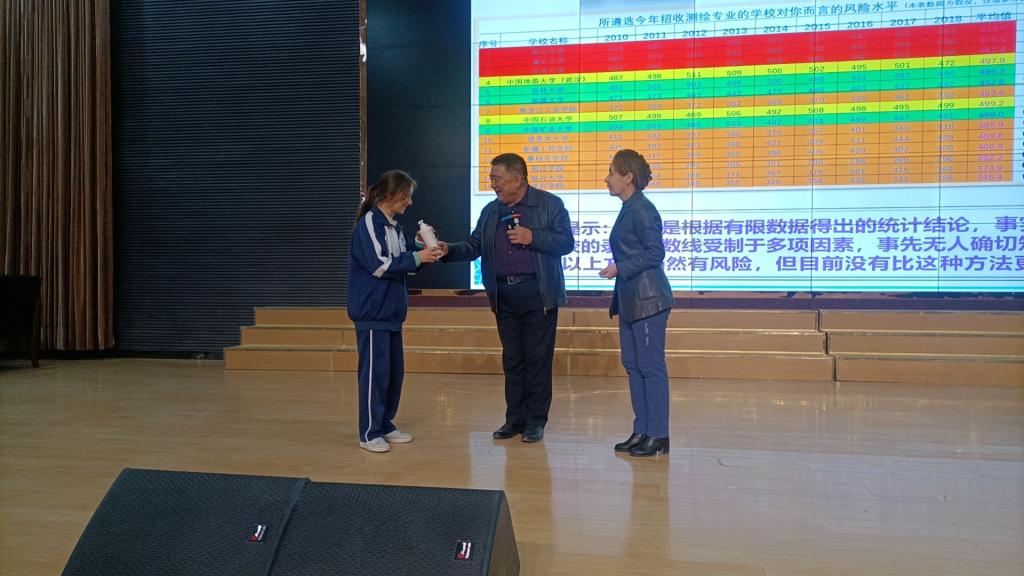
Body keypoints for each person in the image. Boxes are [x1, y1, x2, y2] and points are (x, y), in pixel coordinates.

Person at [438, 153, 574, 443]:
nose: (492, 184)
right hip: (504, 296)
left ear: (517, 178)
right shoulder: (491, 211)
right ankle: (514, 419)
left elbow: (566, 243)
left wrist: (532, 237)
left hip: (538, 294)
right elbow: (474, 245)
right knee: (513, 360)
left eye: (496, 178)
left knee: (537, 359)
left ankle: (535, 421)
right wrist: (448, 250)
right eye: (491, 178)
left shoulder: (549, 204)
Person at [348, 170, 443, 453]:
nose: (410, 203)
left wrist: (423, 251)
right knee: (374, 376)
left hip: (392, 313)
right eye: (407, 196)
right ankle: (369, 432)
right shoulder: (369, 223)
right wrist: (417, 256)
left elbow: (404, 263)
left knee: (392, 374)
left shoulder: (395, 227)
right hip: (373, 313)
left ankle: (385, 424)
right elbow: (380, 265)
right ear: (392, 195)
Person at [599, 149, 674, 457]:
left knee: (650, 367)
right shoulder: (629, 207)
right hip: (631, 299)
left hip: (648, 300)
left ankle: (658, 434)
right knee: (633, 365)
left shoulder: (643, 209)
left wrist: (620, 267)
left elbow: (656, 253)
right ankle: (642, 429)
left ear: (628, 177)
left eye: (612, 173)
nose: (607, 179)